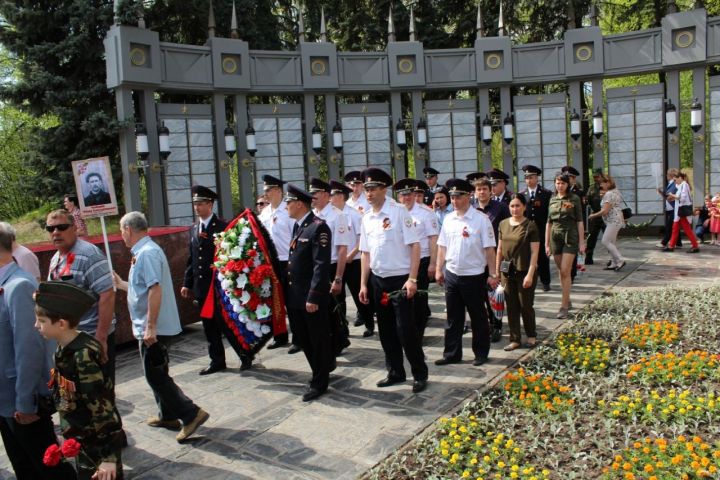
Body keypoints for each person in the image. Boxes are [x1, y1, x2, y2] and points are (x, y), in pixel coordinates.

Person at [113, 212, 209, 443]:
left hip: (153, 327)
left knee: (155, 376)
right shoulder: (144, 252)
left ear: (128, 229)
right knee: (157, 372)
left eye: (121, 230)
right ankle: (167, 415)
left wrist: (151, 327)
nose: (121, 235)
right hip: (147, 325)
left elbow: (155, 290)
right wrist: (121, 284)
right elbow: (142, 289)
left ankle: (191, 413)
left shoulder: (147, 253)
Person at [0, 224, 75, 480]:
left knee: (49, 468)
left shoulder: (18, 285)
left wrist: (25, 402)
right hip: (5, 400)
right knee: (24, 467)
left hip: (20, 401)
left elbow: (29, 348)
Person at [34, 281, 123, 480]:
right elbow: (66, 395)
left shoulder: (82, 356)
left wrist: (108, 456)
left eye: (41, 321)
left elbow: (103, 408)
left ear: (61, 324)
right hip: (81, 440)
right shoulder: (64, 347)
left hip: (97, 447)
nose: (36, 326)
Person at [358, 167, 428, 393]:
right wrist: (362, 283)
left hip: (400, 280)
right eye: (366, 189)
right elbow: (365, 253)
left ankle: (419, 373)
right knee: (386, 331)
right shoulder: (366, 218)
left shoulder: (398, 212)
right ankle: (395, 371)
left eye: (373, 188)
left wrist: (413, 279)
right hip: (379, 280)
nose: (368, 193)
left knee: (406, 330)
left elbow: (415, 246)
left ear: (383, 189)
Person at [182, 185, 251, 374]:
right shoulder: (194, 228)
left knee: (228, 324)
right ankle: (217, 360)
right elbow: (192, 258)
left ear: (210, 204)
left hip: (221, 286)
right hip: (202, 287)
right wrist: (187, 283)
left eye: (201, 203)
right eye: (195, 203)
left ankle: (245, 355)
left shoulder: (223, 227)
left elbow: (232, 256)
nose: (197, 207)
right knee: (209, 326)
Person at [435, 179, 498, 367]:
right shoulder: (448, 219)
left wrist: (493, 274)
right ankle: (452, 353)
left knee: (478, 317)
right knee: (453, 318)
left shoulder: (481, 220)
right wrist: (439, 269)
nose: (454, 201)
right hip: (452, 274)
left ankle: (480, 353)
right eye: (452, 197)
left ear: (468, 196)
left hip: (473, 275)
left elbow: (489, 249)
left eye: (458, 197)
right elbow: (442, 246)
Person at [46, 209, 116, 378]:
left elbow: (107, 294)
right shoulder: (56, 258)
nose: (56, 232)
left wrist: (101, 338)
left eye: (61, 227)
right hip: (69, 338)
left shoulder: (89, 254)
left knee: (98, 397)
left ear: (74, 228)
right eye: (50, 228)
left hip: (90, 338)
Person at [284, 185, 334, 401]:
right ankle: (318, 371)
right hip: (295, 295)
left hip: (310, 297)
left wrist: (313, 296)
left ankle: (320, 381)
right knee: (303, 338)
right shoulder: (299, 227)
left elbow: (320, 265)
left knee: (317, 339)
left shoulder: (318, 227)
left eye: (289, 201)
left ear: (300, 204)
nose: (286, 205)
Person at [309, 177, 353, 356]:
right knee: (321, 307)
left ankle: (340, 339)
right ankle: (331, 339)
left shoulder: (337, 215)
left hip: (332, 266)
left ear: (326, 195)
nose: (312, 197)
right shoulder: (312, 216)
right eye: (311, 193)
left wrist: (338, 277)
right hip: (316, 267)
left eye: (315, 193)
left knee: (335, 306)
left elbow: (342, 249)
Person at [393, 179, 438, 341]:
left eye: (410, 194)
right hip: (401, 262)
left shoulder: (426, 213)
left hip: (422, 260)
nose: (407, 197)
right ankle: (405, 332)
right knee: (402, 299)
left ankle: (418, 335)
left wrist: (433, 263)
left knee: (419, 300)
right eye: (403, 195)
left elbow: (433, 239)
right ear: (398, 197)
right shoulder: (394, 213)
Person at [330, 180, 375, 337]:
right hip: (336, 262)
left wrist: (351, 254)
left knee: (359, 294)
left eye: (333, 195)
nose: (330, 198)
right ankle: (343, 328)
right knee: (338, 298)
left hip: (353, 261)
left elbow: (362, 238)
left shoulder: (354, 214)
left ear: (341, 196)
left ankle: (369, 323)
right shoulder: (330, 216)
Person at [496, 194, 539, 351]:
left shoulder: (530, 225)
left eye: (518, 205)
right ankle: (515, 339)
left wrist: (530, 273)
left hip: (525, 270)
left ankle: (531, 335)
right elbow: (499, 249)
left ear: (524, 207)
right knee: (511, 306)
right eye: (512, 206)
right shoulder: (503, 224)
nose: (515, 209)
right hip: (507, 272)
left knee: (525, 305)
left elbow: (535, 252)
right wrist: (496, 272)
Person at [258, 175, 296, 350]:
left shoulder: (288, 211)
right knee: (274, 301)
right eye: (264, 190)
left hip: (287, 261)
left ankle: (298, 337)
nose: (265, 194)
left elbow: (295, 237)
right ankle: (279, 336)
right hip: (270, 263)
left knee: (291, 301)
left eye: (268, 190)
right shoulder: (264, 213)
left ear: (278, 191)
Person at [472, 177, 509, 342]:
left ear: (490, 191)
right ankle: (488, 323)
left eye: (484, 189)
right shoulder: (471, 210)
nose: (482, 192)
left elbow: (507, 231)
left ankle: (497, 325)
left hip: (496, 256)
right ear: (475, 192)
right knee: (481, 293)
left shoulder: (500, 208)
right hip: (477, 258)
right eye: (478, 189)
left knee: (496, 292)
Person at [546, 173, 585, 319]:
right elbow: (548, 222)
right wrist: (546, 244)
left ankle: (563, 306)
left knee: (565, 270)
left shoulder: (574, 199)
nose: (559, 186)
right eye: (557, 183)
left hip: (570, 236)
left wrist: (582, 242)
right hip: (555, 237)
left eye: (562, 183)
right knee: (560, 271)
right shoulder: (552, 199)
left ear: (567, 184)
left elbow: (580, 221)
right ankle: (567, 297)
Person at [518, 165, 552, 291]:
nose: (529, 180)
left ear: (537, 178)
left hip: (541, 230)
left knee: (542, 256)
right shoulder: (522, 194)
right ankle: (529, 279)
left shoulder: (546, 193)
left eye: (531, 177)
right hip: (527, 230)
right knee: (527, 255)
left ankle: (545, 281)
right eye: (526, 178)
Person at [588, 175, 626, 271]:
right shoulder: (615, 191)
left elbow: (604, 211)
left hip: (613, 220)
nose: (600, 185)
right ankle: (613, 263)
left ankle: (620, 260)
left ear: (608, 183)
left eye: (602, 183)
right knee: (611, 242)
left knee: (605, 241)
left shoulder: (609, 194)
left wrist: (593, 215)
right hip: (616, 220)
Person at [663, 172, 700, 253]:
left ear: (680, 178)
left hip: (682, 212)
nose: (674, 181)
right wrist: (672, 197)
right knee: (675, 229)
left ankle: (695, 246)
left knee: (685, 229)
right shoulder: (681, 185)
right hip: (680, 212)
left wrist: (672, 195)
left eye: (675, 179)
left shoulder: (684, 185)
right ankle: (671, 246)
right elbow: (680, 198)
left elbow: (682, 198)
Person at [562, 166, 585, 282]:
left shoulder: (578, 193)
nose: (565, 180)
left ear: (573, 179)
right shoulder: (558, 192)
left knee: (572, 250)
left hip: (573, 226)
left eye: (568, 177)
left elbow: (580, 212)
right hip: (561, 227)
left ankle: (572, 274)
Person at [657, 168, 682, 249]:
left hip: (674, 208)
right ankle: (678, 243)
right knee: (674, 226)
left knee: (669, 226)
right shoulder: (670, 183)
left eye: (667, 174)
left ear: (670, 175)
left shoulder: (674, 183)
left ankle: (664, 242)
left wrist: (667, 194)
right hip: (670, 208)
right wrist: (661, 192)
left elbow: (671, 195)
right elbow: (667, 196)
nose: (666, 176)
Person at [584, 169, 605, 265]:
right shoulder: (591, 188)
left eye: (597, 177)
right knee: (591, 238)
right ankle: (588, 258)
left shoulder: (607, 186)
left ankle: (613, 259)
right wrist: (585, 200)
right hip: (595, 216)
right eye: (594, 177)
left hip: (606, 216)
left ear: (601, 176)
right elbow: (587, 199)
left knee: (608, 240)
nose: (595, 179)